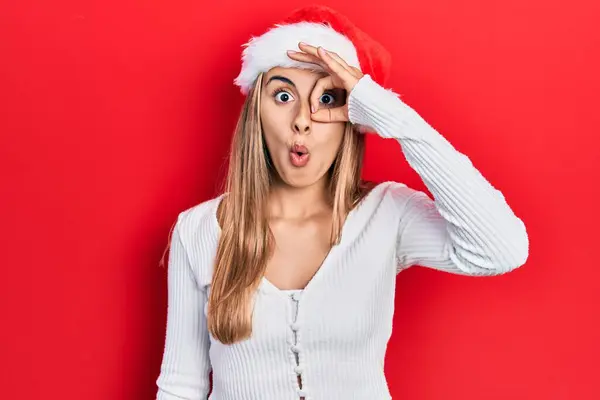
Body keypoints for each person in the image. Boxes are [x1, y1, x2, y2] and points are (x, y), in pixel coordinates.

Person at [155, 5, 529, 400]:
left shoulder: (388, 215)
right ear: (256, 113)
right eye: (283, 95)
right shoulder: (197, 230)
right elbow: (181, 386)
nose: (303, 119)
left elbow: (501, 250)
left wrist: (387, 113)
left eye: (328, 98)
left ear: (354, 114)